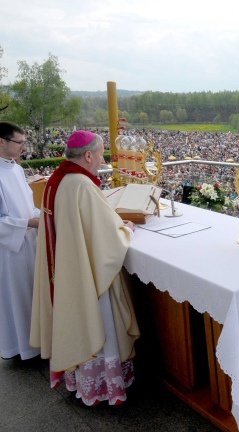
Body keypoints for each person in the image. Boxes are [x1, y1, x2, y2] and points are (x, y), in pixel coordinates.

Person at [30, 130, 140, 406]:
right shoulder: (81, 184)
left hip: (68, 269)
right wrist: (124, 229)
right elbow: (106, 237)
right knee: (97, 322)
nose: (102, 158)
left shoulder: (57, 180)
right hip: (87, 274)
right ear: (88, 155)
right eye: (101, 153)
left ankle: (84, 381)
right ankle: (104, 385)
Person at [0, 121, 41, 360]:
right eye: (19, 142)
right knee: (15, 296)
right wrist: (27, 223)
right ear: (2, 141)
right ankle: (17, 347)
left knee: (30, 293)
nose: (23, 147)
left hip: (29, 240)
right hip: (9, 248)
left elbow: (26, 204)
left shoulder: (15, 168)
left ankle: (35, 343)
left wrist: (40, 214)